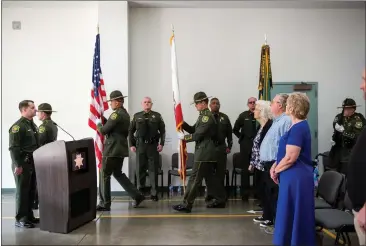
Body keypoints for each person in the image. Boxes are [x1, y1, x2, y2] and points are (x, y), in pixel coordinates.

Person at [271, 92, 315, 246]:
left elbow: (291, 157)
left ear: (292, 106)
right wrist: (275, 165)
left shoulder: (298, 128)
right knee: (289, 213)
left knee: (293, 214)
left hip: (297, 178)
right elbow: (285, 153)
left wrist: (277, 170)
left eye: (288, 103)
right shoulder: (297, 126)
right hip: (293, 177)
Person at [172, 92, 226, 212]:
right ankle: (220, 199)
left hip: (204, 153)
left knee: (194, 179)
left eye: (196, 103)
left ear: (203, 103)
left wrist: (184, 138)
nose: (195, 106)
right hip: (206, 152)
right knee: (211, 179)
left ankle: (187, 204)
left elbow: (198, 135)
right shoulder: (203, 116)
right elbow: (193, 129)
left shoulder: (207, 117)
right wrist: (182, 123)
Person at [96, 90, 145, 211]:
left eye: (111, 101)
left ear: (118, 102)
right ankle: (137, 195)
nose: (110, 104)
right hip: (120, 149)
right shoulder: (125, 114)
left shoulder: (116, 114)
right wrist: (104, 119)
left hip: (112, 149)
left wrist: (98, 124)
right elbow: (113, 127)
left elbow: (103, 131)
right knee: (117, 173)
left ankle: (104, 203)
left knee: (104, 174)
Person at [256, 94, 291, 231]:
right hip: (268, 164)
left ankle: (280, 225)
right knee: (269, 195)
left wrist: (278, 164)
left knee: (276, 196)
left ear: (280, 105)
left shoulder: (286, 121)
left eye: (273, 102)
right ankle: (275, 222)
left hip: (275, 163)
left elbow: (286, 145)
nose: (270, 105)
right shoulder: (277, 120)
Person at [9, 100, 40, 228]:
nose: (36, 109)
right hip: (23, 163)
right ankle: (20, 218)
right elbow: (14, 148)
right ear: (24, 110)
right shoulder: (18, 127)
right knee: (22, 191)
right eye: (32, 108)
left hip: (33, 162)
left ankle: (29, 215)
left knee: (31, 190)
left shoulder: (32, 125)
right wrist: (18, 165)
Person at [129, 97, 166, 201]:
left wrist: (162, 144)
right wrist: (131, 144)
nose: (147, 104)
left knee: (153, 170)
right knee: (140, 169)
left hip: (152, 146)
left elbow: (163, 131)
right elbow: (130, 131)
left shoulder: (157, 116)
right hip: (140, 146)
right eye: (145, 102)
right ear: (142, 104)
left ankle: (154, 193)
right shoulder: (137, 116)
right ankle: (140, 191)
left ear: (151, 104)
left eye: (149, 102)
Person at [347, 68, 366, 245]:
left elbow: (352, 135)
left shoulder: (358, 119)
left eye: (364, 80)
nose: (361, 86)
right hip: (359, 207)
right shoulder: (342, 118)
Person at [247, 100, 273, 218]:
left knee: (268, 192)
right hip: (258, 165)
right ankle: (265, 215)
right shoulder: (261, 126)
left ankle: (269, 217)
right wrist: (252, 162)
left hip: (266, 165)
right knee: (261, 191)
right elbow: (256, 147)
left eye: (256, 109)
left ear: (262, 111)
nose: (254, 110)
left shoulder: (269, 126)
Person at [206, 97, 232, 205]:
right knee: (209, 173)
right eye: (213, 103)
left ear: (219, 105)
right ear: (210, 105)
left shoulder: (224, 118)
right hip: (209, 149)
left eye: (217, 103)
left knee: (220, 173)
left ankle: (221, 196)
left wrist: (229, 146)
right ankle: (211, 194)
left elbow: (229, 133)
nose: (215, 105)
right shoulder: (206, 117)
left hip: (221, 148)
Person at [329, 98, 366, 173]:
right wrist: (333, 139)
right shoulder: (339, 117)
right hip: (338, 151)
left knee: (347, 172)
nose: (345, 110)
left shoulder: (357, 119)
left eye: (347, 108)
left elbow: (358, 137)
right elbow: (335, 131)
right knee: (334, 172)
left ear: (353, 109)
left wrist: (344, 132)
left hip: (350, 151)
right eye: (344, 108)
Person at [32, 103, 58, 209]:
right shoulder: (53, 124)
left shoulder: (43, 126)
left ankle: (36, 202)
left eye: (38, 112)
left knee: (39, 181)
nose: (37, 114)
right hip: (51, 155)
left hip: (43, 156)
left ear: (43, 114)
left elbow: (39, 141)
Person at [233, 97, 258, 200]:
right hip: (245, 146)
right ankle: (245, 194)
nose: (252, 104)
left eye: (254, 102)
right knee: (245, 170)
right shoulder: (243, 115)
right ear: (248, 104)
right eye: (250, 103)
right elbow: (235, 129)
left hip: (257, 146)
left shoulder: (260, 115)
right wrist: (242, 138)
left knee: (257, 169)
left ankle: (257, 193)